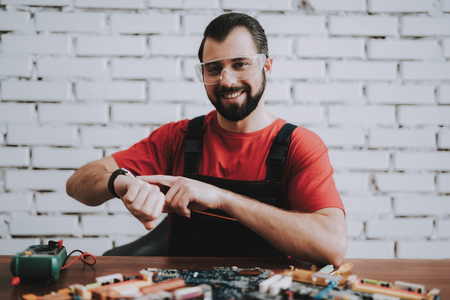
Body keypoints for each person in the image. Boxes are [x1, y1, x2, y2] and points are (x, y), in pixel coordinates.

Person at [66, 13, 347, 266]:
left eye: (240, 64)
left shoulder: (299, 145)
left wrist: (222, 198)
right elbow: (77, 183)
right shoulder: (179, 137)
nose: (226, 81)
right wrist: (119, 182)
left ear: (267, 66)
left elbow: (332, 246)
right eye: (213, 69)